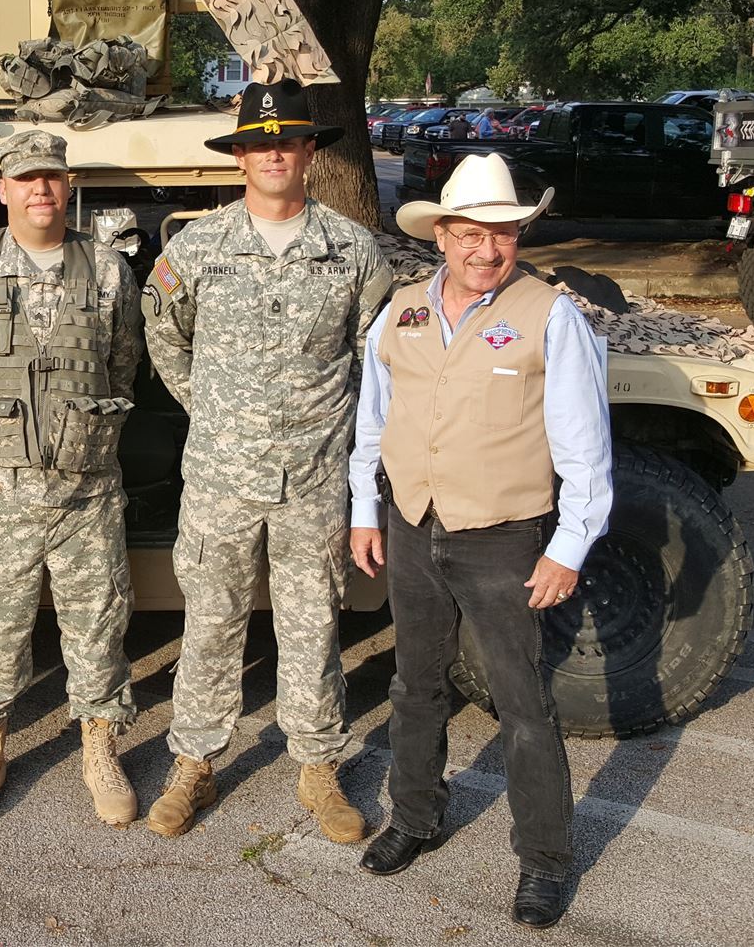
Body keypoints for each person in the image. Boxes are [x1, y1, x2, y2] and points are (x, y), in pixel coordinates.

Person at [348, 152, 611, 930]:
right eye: (471, 234)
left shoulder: (550, 315)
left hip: (502, 536)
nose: (486, 250)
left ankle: (544, 860)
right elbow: (374, 419)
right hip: (411, 523)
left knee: (523, 702)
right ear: (443, 235)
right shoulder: (401, 311)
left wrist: (568, 546)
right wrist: (366, 508)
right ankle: (416, 815)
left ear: (517, 237)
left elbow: (585, 447)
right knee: (415, 684)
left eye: (502, 234)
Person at [140, 78, 393, 844]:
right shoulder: (198, 248)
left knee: (314, 621)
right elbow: (164, 337)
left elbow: (370, 359)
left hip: (314, 476)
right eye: (260, 142)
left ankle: (318, 765)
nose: (274, 153)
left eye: (288, 139)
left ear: (309, 151)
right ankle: (195, 761)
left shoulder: (352, 251)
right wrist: (215, 413)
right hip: (220, 475)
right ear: (241, 156)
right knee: (212, 620)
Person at [0, 130, 143, 830]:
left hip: (85, 493)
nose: (40, 189)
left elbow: (122, 360)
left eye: (50, 176)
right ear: (2, 188)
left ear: (68, 183)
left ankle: (99, 745)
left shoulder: (109, 270)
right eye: (25, 178)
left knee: (98, 627)